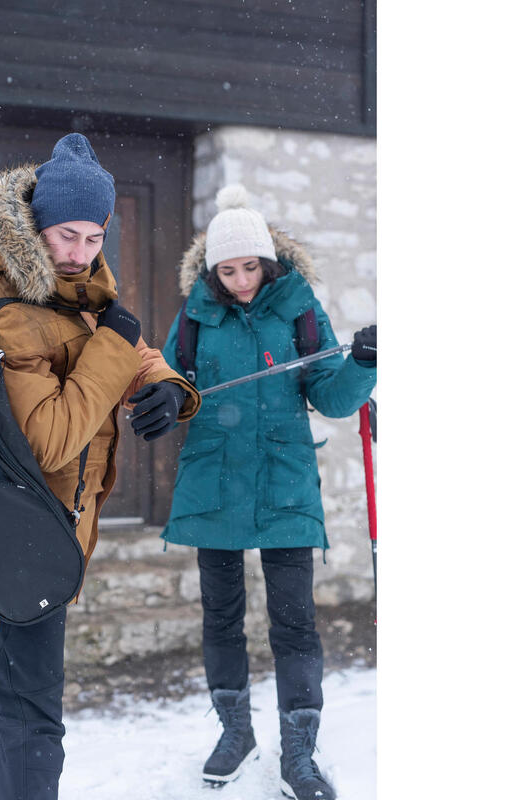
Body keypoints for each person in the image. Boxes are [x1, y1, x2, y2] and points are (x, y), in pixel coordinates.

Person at [0, 133, 201, 800]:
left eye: (91, 237)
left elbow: (123, 352)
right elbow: (49, 440)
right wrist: (115, 345)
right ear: (35, 228)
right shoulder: (10, 312)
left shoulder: (76, 296)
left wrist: (167, 387)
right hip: (18, 542)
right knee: (32, 723)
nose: (79, 253)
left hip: (37, 536)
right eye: (64, 236)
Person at [159, 185, 376, 800]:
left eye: (249, 267)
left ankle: (299, 752)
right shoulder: (196, 315)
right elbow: (172, 383)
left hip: (283, 484)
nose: (240, 281)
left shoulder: (301, 310)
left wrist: (362, 364)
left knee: (295, 623)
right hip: (213, 484)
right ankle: (235, 733)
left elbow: (332, 396)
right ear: (212, 271)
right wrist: (168, 397)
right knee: (221, 618)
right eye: (226, 271)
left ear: (269, 262)